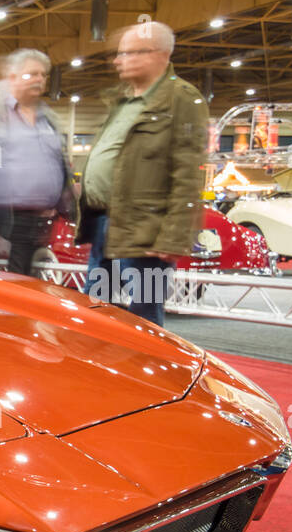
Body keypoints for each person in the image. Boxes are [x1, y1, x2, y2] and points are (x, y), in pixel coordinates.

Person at [76, 21, 206, 326]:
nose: (120, 60)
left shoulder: (181, 99)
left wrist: (172, 237)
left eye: (132, 53)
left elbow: (188, 172)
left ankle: (150, 373)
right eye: (121, 54)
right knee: (97, 307)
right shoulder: (124, 101)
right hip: (107, 223)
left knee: (144, 316)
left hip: (144, 232)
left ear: (160, 54)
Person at [0, 48, 73, 275]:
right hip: (8, 224)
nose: (39, 79)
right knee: (10, 290)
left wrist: (68, 209)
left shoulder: (48, 119)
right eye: (31, 74)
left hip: (47, 223)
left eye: (43, 74)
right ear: (12, 78)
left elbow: (59, 165)